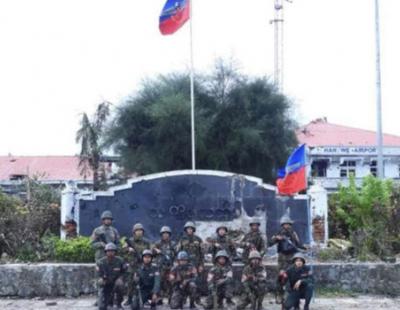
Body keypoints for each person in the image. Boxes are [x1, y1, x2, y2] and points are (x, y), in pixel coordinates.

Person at [269, 215, 306, 304]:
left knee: (292, 277)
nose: (286, 226)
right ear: (282, 225)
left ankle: (291, 296)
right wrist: (276, 238)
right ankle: (279, 296)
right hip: (282, 258)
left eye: (288, 224)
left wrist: (305, 248)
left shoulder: (293, 233)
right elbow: (270, 243)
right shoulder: (279, 233)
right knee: (280, 277)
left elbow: (298, 244)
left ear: (290, 225)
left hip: (292, 257)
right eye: (285, 224)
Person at [123, 223, 151, 306]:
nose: (139, 232)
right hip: (133, 265)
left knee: (145, 282)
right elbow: (122, 251)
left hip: (143, 265)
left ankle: (145, 299)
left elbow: (150, 252)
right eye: (137, 230)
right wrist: (128, 249)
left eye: (140, 230)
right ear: (134, 232)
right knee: (130, 282)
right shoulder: (130, 241)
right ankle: (129, 299)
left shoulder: (146, 242)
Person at [96, 243, 126, 310]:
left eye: (112, 251)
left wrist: (120, 278)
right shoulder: (101, 262)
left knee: (120, 284)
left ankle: (119, 303)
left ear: (115, 252)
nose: (110, 253)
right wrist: (101, 279)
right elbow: (98, 274)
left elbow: (124, 272)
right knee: (102, 307)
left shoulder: (120, 260)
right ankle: (107, 301)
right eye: (108, 251)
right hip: (106, 282)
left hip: (116, 281)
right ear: (105, 252)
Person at [152, 226, 176, 302]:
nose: (165, 235)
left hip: (170, 266)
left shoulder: (173, 244)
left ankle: (170, 298)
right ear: (161, 234)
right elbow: (151, 253)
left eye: (167, 233)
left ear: (169, 234)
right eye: (164, 233)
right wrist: (155, 250)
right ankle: (159, 299)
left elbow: (176, 254)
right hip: (160, 267)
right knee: (160, 282)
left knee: (170, 282)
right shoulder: (157, 243)